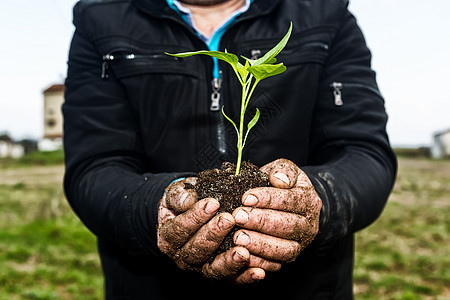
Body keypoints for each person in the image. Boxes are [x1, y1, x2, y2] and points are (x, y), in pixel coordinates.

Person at [63, 0, 397, 299]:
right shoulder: (100, 17)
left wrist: (318, 200)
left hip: (309, 287)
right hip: (150, 285)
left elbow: (365, 152)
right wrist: (152, 209)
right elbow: (93, 168)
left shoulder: (326, 12)